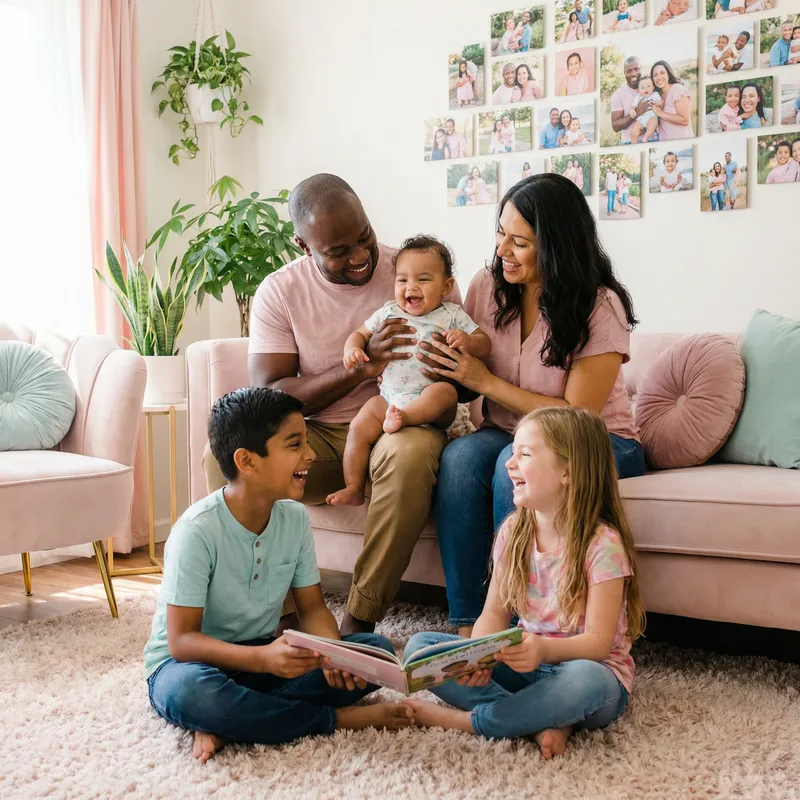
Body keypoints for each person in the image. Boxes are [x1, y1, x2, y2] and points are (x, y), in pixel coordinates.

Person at [201, 174, 464, 637]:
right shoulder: (281, 291)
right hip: (317, 433)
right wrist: (360, 369)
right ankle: (277, 620)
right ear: (303, 245)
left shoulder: (416, 273)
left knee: (407, 458)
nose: (361, 256)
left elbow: (464, 380)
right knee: (227, 456)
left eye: (363, 237)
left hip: (398, 421)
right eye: (339, 251)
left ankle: (357, 626)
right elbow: (270, 393)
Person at [423, 174, 644, 635]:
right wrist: (445, 364)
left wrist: (483, 380)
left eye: (519, 241)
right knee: (460, 461)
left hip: (593, 441)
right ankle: (471, 627)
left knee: (517, 462)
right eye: (500, 232)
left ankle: (528, 628)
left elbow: (574, 415)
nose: (502, 249)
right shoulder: (487, 285)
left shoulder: (599, 306)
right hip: (504, 428)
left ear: (556, 246)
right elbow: (471, 370)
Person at [146, 388, 415, 763]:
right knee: (197, 696)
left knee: (375, 653)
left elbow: (312, 606)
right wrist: (264, 661)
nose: (311, 454)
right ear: (247, 462)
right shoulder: (197, 531)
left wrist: (335, 655)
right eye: (295, 444)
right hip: (188, 666)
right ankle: (335, 719)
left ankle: (233, 721)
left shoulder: (294, 518)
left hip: (260, 655)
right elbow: (181, 642)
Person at [403, 407, 645, 759]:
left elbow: (598, 644)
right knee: (420, 648)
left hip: (589, 673)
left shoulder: (601, 544)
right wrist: (479, 657)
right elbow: (493, 615)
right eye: (512, 453)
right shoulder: (514, 532)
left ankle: (473, 721)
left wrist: (542, 650)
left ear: (567, 470)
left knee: (585, 681)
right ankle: (541, 719)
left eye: (524, 454)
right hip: (523, 665)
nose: (508, 464)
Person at [327, 236, 490, 506]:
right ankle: (354, 486)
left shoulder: (451, 314)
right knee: (357, 426)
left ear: (446, 286)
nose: (410, 287)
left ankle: (406, 417)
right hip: (389, 397)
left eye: (423, 279)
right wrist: (351, 349)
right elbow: (359, 333)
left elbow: (484, 343)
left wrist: (468, 341)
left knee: (445, 391)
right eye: (402, 280)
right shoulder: (388, 311)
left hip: (429, 397)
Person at [610, 57, 653, 145]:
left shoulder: (651, 87)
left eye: (636, 69)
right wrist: (636, 112)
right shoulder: (619, 94)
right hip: (630, 142)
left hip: (653, 138)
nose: (633, 73)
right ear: (624, 73)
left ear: (641, 68)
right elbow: (615, 126)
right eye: (629, 71)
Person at [651, 60, 694, 140]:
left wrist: (660, 113)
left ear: (668, 74)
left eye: (662, 73)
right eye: (655, 75)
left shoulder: (677, 89)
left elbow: (685, 121)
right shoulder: (657, 96)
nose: (659, 77)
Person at [629, 74, 659, 144]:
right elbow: (633, 106)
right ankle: (633, 144)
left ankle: (645, 138)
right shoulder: (638, 97)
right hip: (641, 119)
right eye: (642, 88)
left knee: (654, 122)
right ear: (639, 90)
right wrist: (632, 110)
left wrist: (657, 103)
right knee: (634, 132)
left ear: (653, 87)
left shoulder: (655, 95)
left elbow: (661, 102)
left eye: (648, 86)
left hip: (651, 116)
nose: (646, 89)